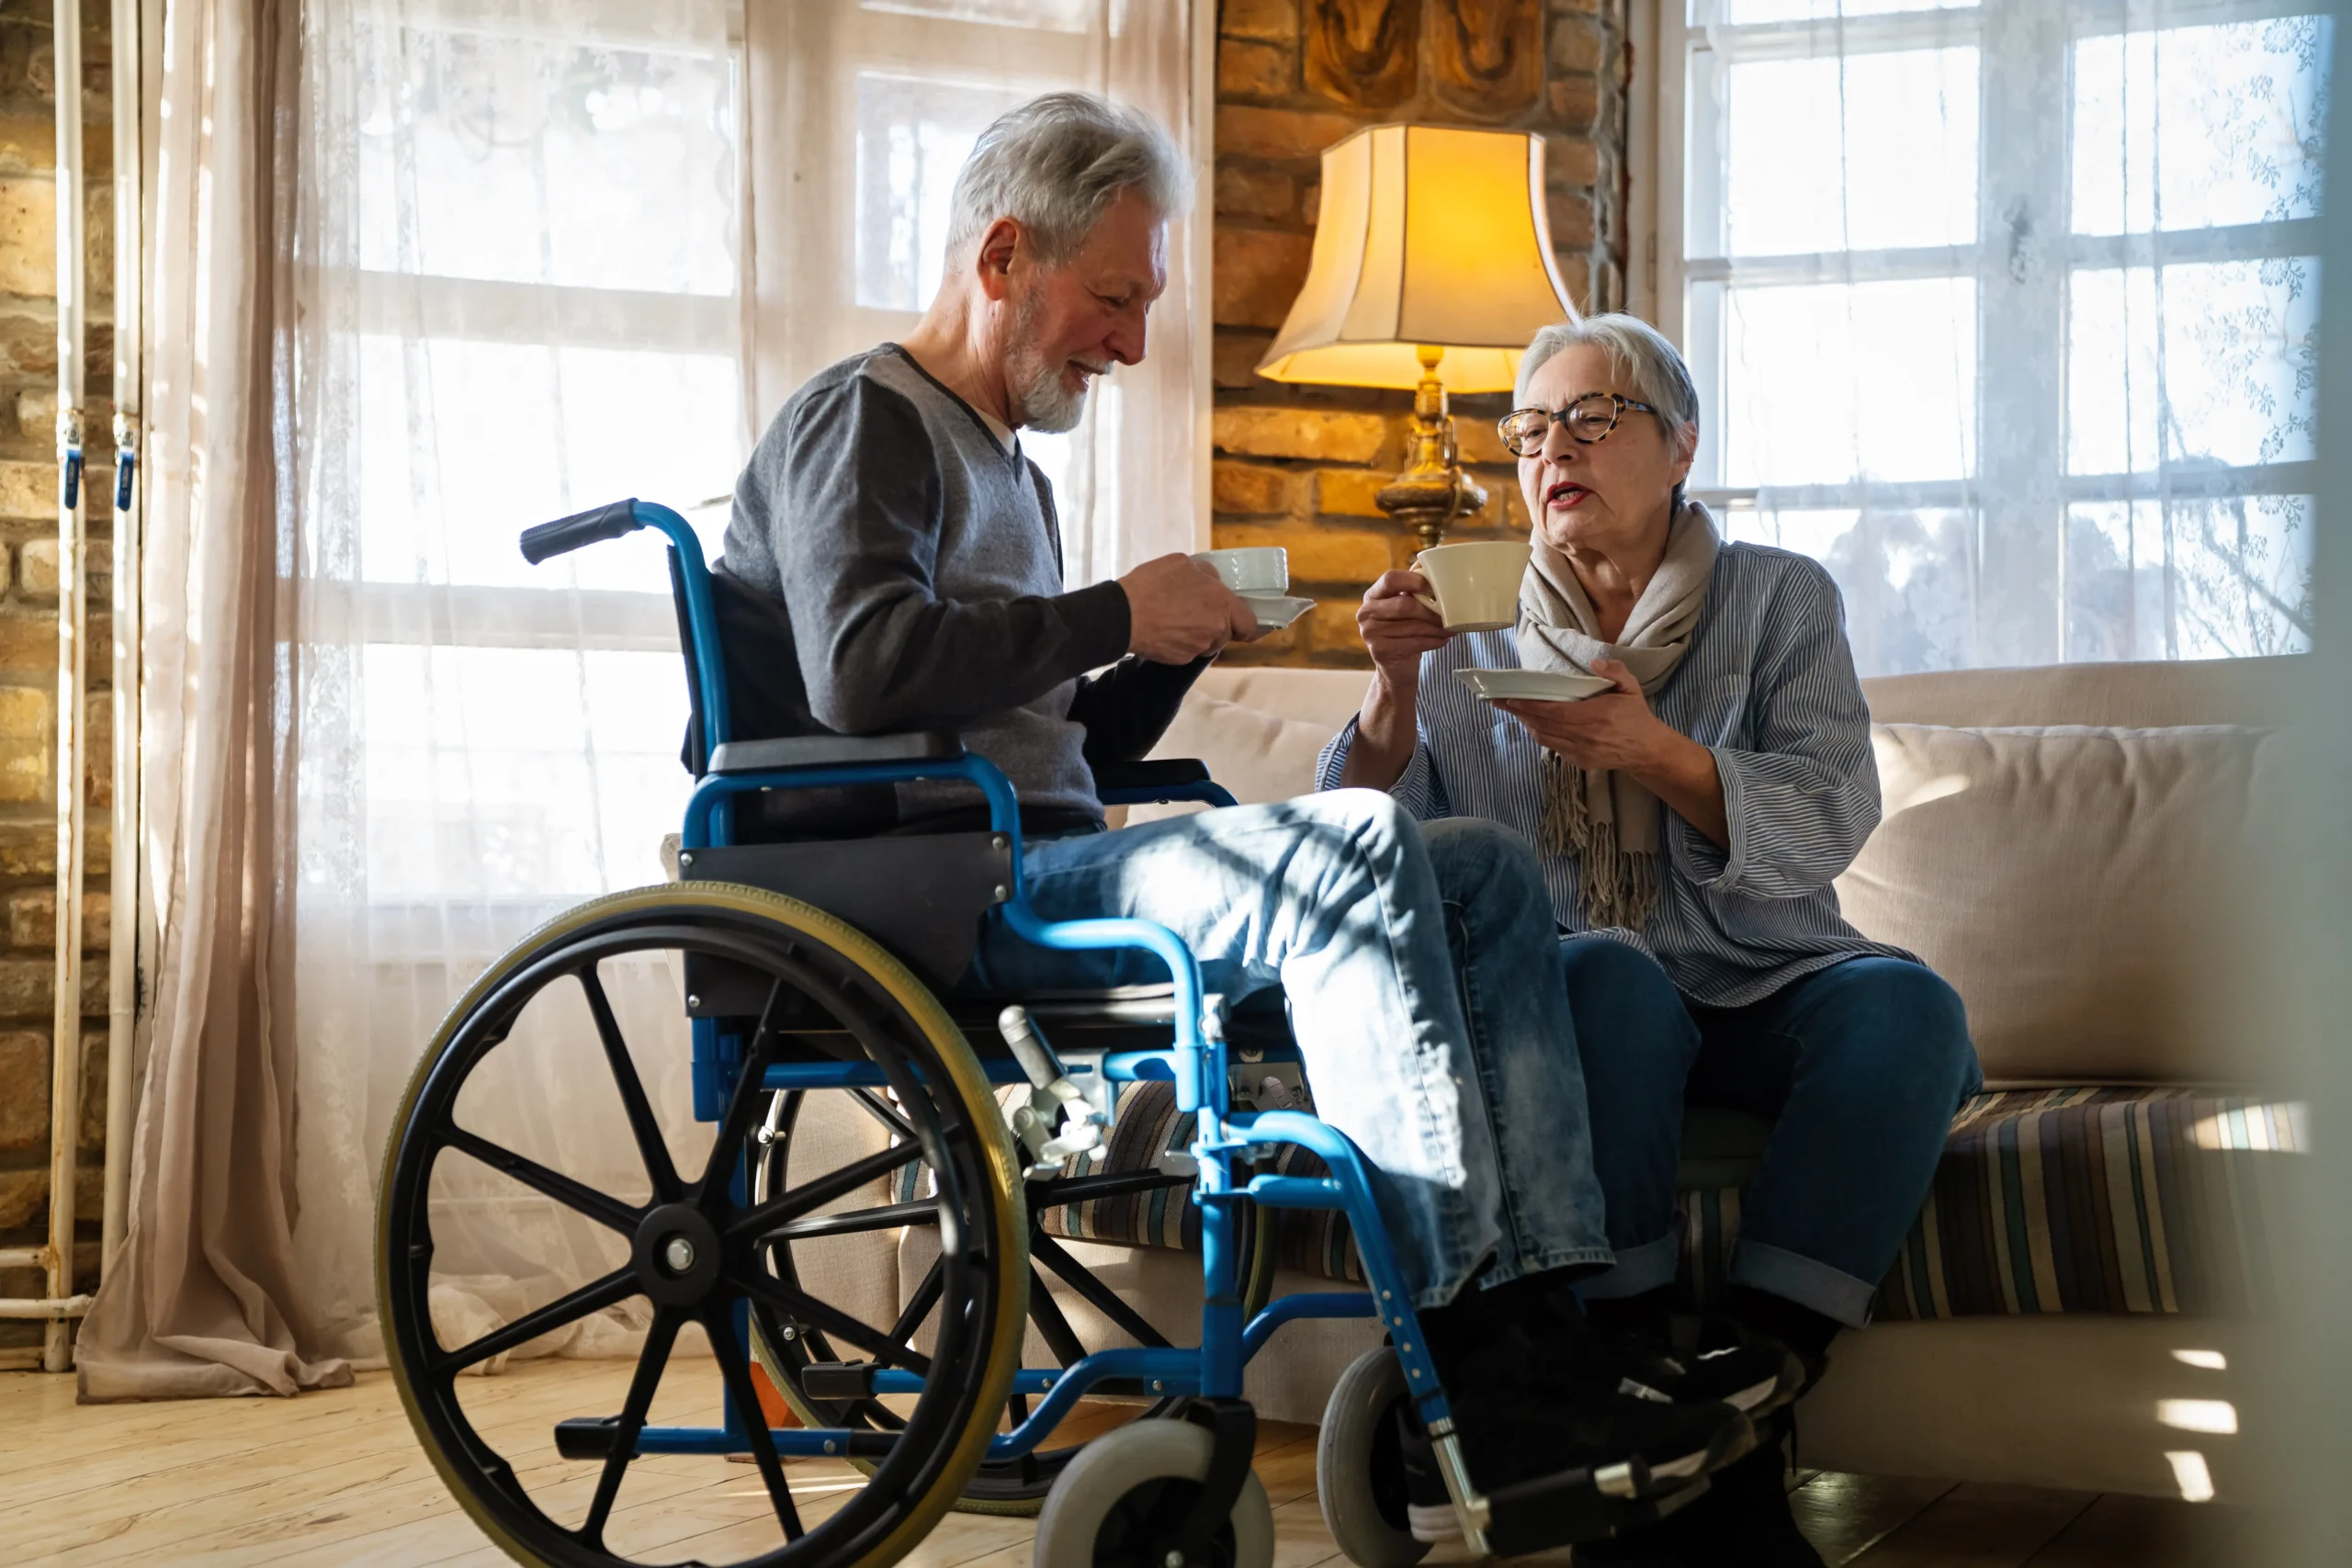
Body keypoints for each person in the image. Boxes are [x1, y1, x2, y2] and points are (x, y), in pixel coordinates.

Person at [708, 96, 1779, 1533]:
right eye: (1116, 299)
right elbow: (858, 672)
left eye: (1143, 308)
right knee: (1366, 845)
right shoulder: (866, 419)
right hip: (942, 879)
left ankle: (1541, 1338)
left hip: (1035, 848)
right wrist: (1107, 608)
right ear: (1007, 255)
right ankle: (1476, 1363)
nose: (1132, 344)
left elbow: (1047, 742)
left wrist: (1162, 650)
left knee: (1482, 874)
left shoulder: (1006, 468)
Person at [1322, 312, 1982, 1565]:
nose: (1549, 450)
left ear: (1682, 445)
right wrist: (1393, 692)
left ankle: (1747, 1371)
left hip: (1764, 969)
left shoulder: (1781, 598)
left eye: (1589, 419)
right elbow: (1387, 860)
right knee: (1606, 975)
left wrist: (1660, 756)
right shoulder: (1468, 626)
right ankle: (1633, 1398)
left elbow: (1835, 806)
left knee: (1911, 1010)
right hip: (1590, 985)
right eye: (1527, 431)